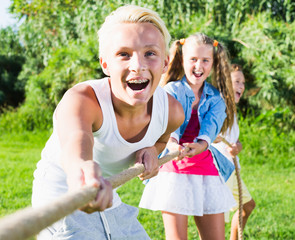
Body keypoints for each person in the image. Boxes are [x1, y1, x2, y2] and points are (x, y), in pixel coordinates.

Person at [31, 5, 185, 240]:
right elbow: (76, 139)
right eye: (124, 54)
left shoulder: (172, 112)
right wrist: (81, 172)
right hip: (60, 197)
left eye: (150, 53)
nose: (138, 65)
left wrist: (153, 150)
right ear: (105, 64)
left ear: (165, 63)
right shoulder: (82, 99)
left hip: (106, 194)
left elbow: (163, 138)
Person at [140, 33, 237, 240]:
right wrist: (173, 143)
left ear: (213, 63)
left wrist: (202, 145)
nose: (198, 66)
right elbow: (169, 122)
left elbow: (211, 126)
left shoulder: (216, 98)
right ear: (182, 60)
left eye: (205, 60)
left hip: (207, 171)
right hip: (174, 171)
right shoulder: (170, 91)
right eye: (193, 59)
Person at [212, 63, 256, 240]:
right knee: (216, 222)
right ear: (225, 83)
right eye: (237, 81)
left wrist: (237, 145)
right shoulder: (219, 103)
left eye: (243, 83)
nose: (241, 86)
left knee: (247, 206)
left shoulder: (232, 107)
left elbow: (232, 137)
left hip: (231, 168)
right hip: (219, 168)